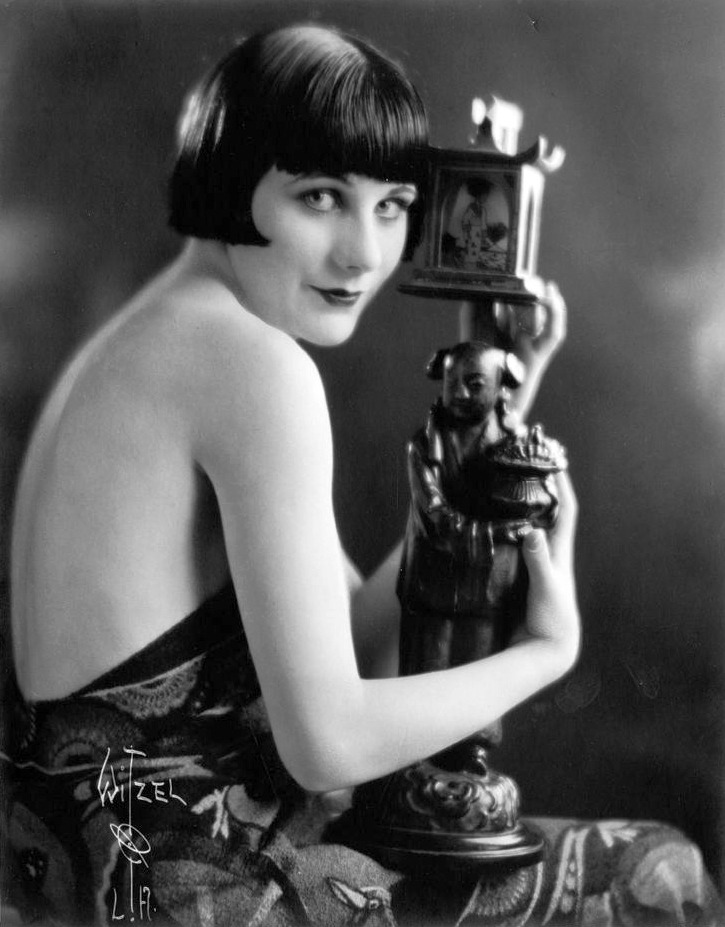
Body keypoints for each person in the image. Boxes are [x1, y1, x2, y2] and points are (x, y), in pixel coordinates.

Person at [1, 22, 720, 927]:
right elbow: (330, 745)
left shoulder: (161, 332)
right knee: (658, 870)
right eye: (321, 198)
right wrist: (546, 653)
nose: (363, 254)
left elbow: (351, 642)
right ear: (232, 178)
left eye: (391, 205)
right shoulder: (251, 364)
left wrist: (484, 424)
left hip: (103, 877)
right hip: (195, 893)